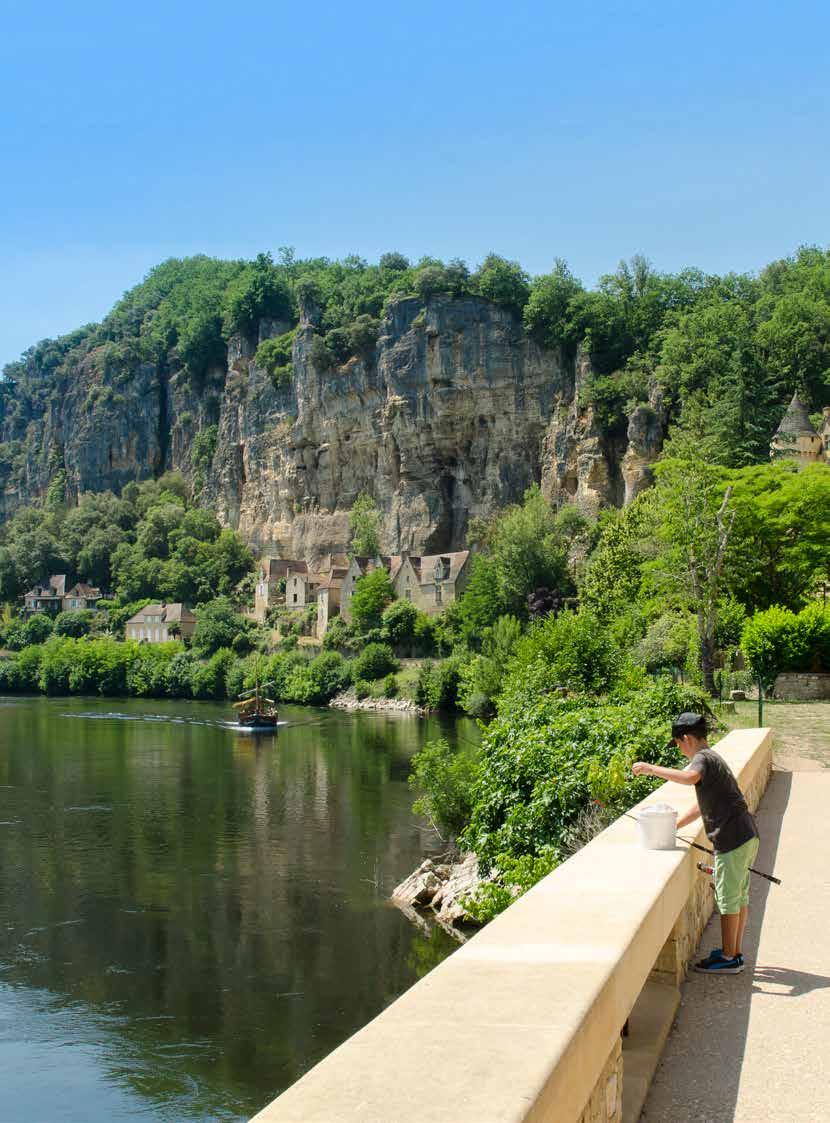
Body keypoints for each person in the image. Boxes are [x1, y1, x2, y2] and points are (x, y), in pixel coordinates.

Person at [631, 711, 759, 975]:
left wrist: (650, 769)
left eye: (677, 744)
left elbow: (689, 778)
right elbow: (705, 807)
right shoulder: (713, 758)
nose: (678, 750)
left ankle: (728, 957)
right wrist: (674, 825)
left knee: (727, 899)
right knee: (738, 896)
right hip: (746, 835)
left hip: (732, 840)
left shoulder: (702, 759)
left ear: (686, 738)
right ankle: (733, 953)